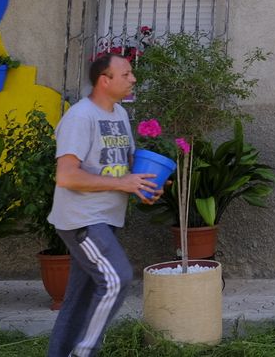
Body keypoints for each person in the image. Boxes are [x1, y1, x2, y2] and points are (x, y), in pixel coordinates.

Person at [47, 53, 162, 357]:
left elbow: (122, 167)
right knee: (116, 279)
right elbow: (66, 176)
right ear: (104, 80)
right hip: (82, 219)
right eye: (126, 74)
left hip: (104, 218)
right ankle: (83, 352)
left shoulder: (120, 115)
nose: (133, 79)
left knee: (79, 298)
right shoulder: (80, 117)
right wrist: (123, 183)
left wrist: (144, 185)